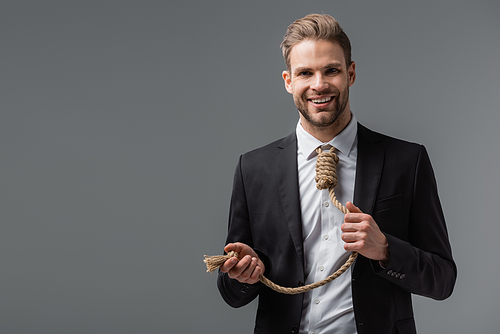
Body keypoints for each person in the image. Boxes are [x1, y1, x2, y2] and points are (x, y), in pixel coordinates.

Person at [216, 14, 456, 334]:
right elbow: (231, 293)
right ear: (289, 81)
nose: (319, 85)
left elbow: (442, 279)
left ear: (350, 73)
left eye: (331, 70)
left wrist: (385, 249)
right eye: (305, 73)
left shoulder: (406, 161)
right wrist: (243, 274)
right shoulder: (253, 169)